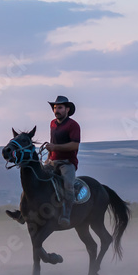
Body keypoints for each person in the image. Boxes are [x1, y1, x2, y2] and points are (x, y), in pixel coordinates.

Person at [45, 95, 80, 228]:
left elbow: (74, 145)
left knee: (68, 186)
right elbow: (52, 142)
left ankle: (66, 214)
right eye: (55, 107)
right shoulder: (52, 123)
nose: (56, 110)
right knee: (36, 178)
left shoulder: (73, 125)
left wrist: (55, 148)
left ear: (67, 109)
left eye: (59, 107)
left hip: (67, 163)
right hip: (52, 161)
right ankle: (24, 212)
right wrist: (49, 156)